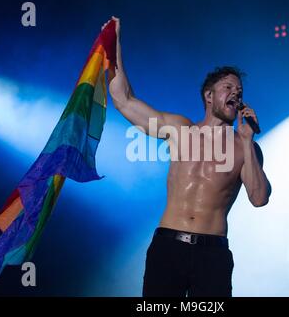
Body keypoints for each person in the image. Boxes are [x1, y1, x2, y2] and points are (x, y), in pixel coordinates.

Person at [104, 16, 271, 297]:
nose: (237, 92)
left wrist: (247, 140)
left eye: (239, 90)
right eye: (228, 87)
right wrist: (113, 41)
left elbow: (259, 198)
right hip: (169, 246)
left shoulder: (246, 147)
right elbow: (124, 99)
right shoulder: (180, 129)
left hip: (213, 254)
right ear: (209, 95)